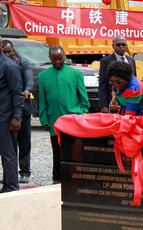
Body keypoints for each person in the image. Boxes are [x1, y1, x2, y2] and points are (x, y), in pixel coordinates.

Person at [38, 46, 90, 184]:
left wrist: (84, 113)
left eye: (60, 59)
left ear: (65, 57)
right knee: (57, 150)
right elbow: (42, 100)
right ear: (50, 59)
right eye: (54, 59)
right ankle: (57, 178)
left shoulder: (76, 74)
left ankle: (76, 176)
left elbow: (83, 97)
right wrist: (44, 119)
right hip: (54, 119)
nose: (57, 62)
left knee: (75, 149)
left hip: (74, 118)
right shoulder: (43, 76)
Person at [2, 40, 36, 184]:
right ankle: (9, 175)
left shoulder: (21, 63)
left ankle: (24, 171)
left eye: (9, 51)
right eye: (5, 52)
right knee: (9, 145)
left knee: (24, 142)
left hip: (22, 109)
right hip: (7, 110)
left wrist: (27, 89)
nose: (7, 54)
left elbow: (29, 79)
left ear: (13, 50)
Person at [0, 36, 23, 193]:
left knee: (8, 153)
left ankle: (11, 187)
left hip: (5, 118)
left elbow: (17, 93)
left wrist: (17, 117)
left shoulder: (9, 66)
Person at [99, 36, 137, 113]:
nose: (121, 47)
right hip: (114, 104)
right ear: (113, 46)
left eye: (123, 44)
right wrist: (103, 106)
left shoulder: (131, 61)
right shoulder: (106, 61)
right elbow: (102, 84)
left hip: (130, 101)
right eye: (118, 45)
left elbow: (134, 80)